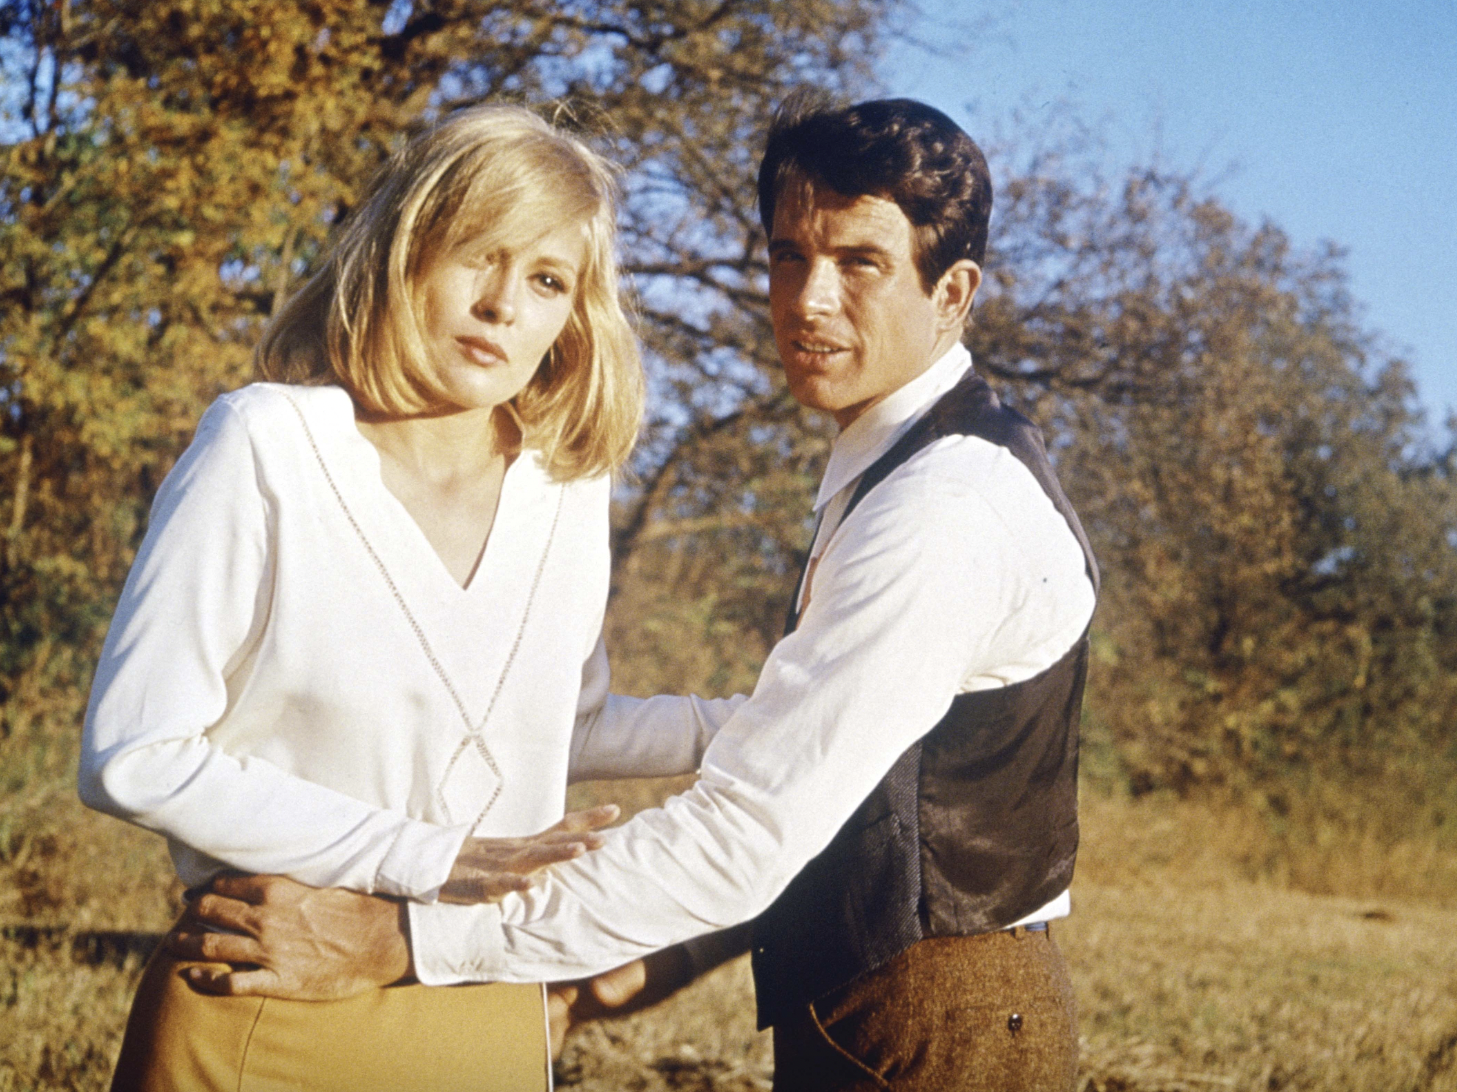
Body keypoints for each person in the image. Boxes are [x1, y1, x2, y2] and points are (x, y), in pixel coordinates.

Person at [174, 93, 1100, 1091]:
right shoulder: (903, 467)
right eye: (789, 256)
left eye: (859, 263)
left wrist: (411, 936)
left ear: (952, 291)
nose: (808, 300)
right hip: (879, 1003)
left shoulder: (944, 506)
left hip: (940, 1025)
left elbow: (748, 831)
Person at [77, 103, 729, 1092]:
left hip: (489, 1013)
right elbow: (133, 753)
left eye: (547, 280)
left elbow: (558, 724)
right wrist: (424, 857)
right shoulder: (266, 445)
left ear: (570, 317)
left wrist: (746, 726)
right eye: (480, 255)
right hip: (264, 1003)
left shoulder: (567, 489)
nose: (504, 302)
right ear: (403, 251)